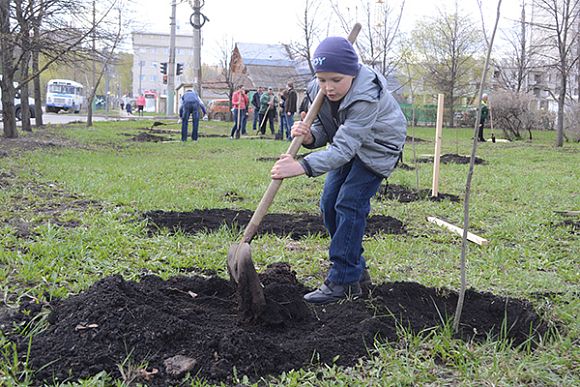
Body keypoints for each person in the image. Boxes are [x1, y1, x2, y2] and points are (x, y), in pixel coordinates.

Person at [270, 36, 407, 304]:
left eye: (336, 80)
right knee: (329, 203)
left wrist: (301, 166)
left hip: (378, 149)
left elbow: (343, 149)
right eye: (322, 79)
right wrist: (309, 137)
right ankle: (355, 269)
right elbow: (327, 130)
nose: (328, 87)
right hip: (350, 145)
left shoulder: (366, 96)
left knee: (349, 203)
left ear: (352, 73)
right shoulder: (316, 90)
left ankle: (343, 280)